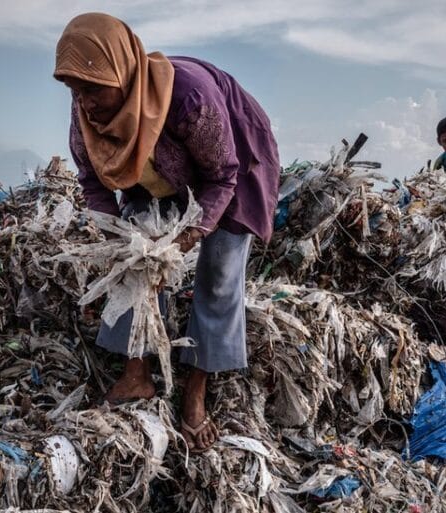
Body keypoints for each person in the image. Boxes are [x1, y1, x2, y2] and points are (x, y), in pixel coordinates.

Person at [53, 13, 280, 452]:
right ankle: (136, 372)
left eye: (94, 88)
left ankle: (196, 389)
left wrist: (188, 237)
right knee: (134, 261)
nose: (86, 102)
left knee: (218, 272)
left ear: (122, 70)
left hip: (229, 170)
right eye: (75, 90)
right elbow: (93, 181)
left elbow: (222, 177)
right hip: (155, 172)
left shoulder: (190, 98)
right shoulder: (87, 116)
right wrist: (120, 237)